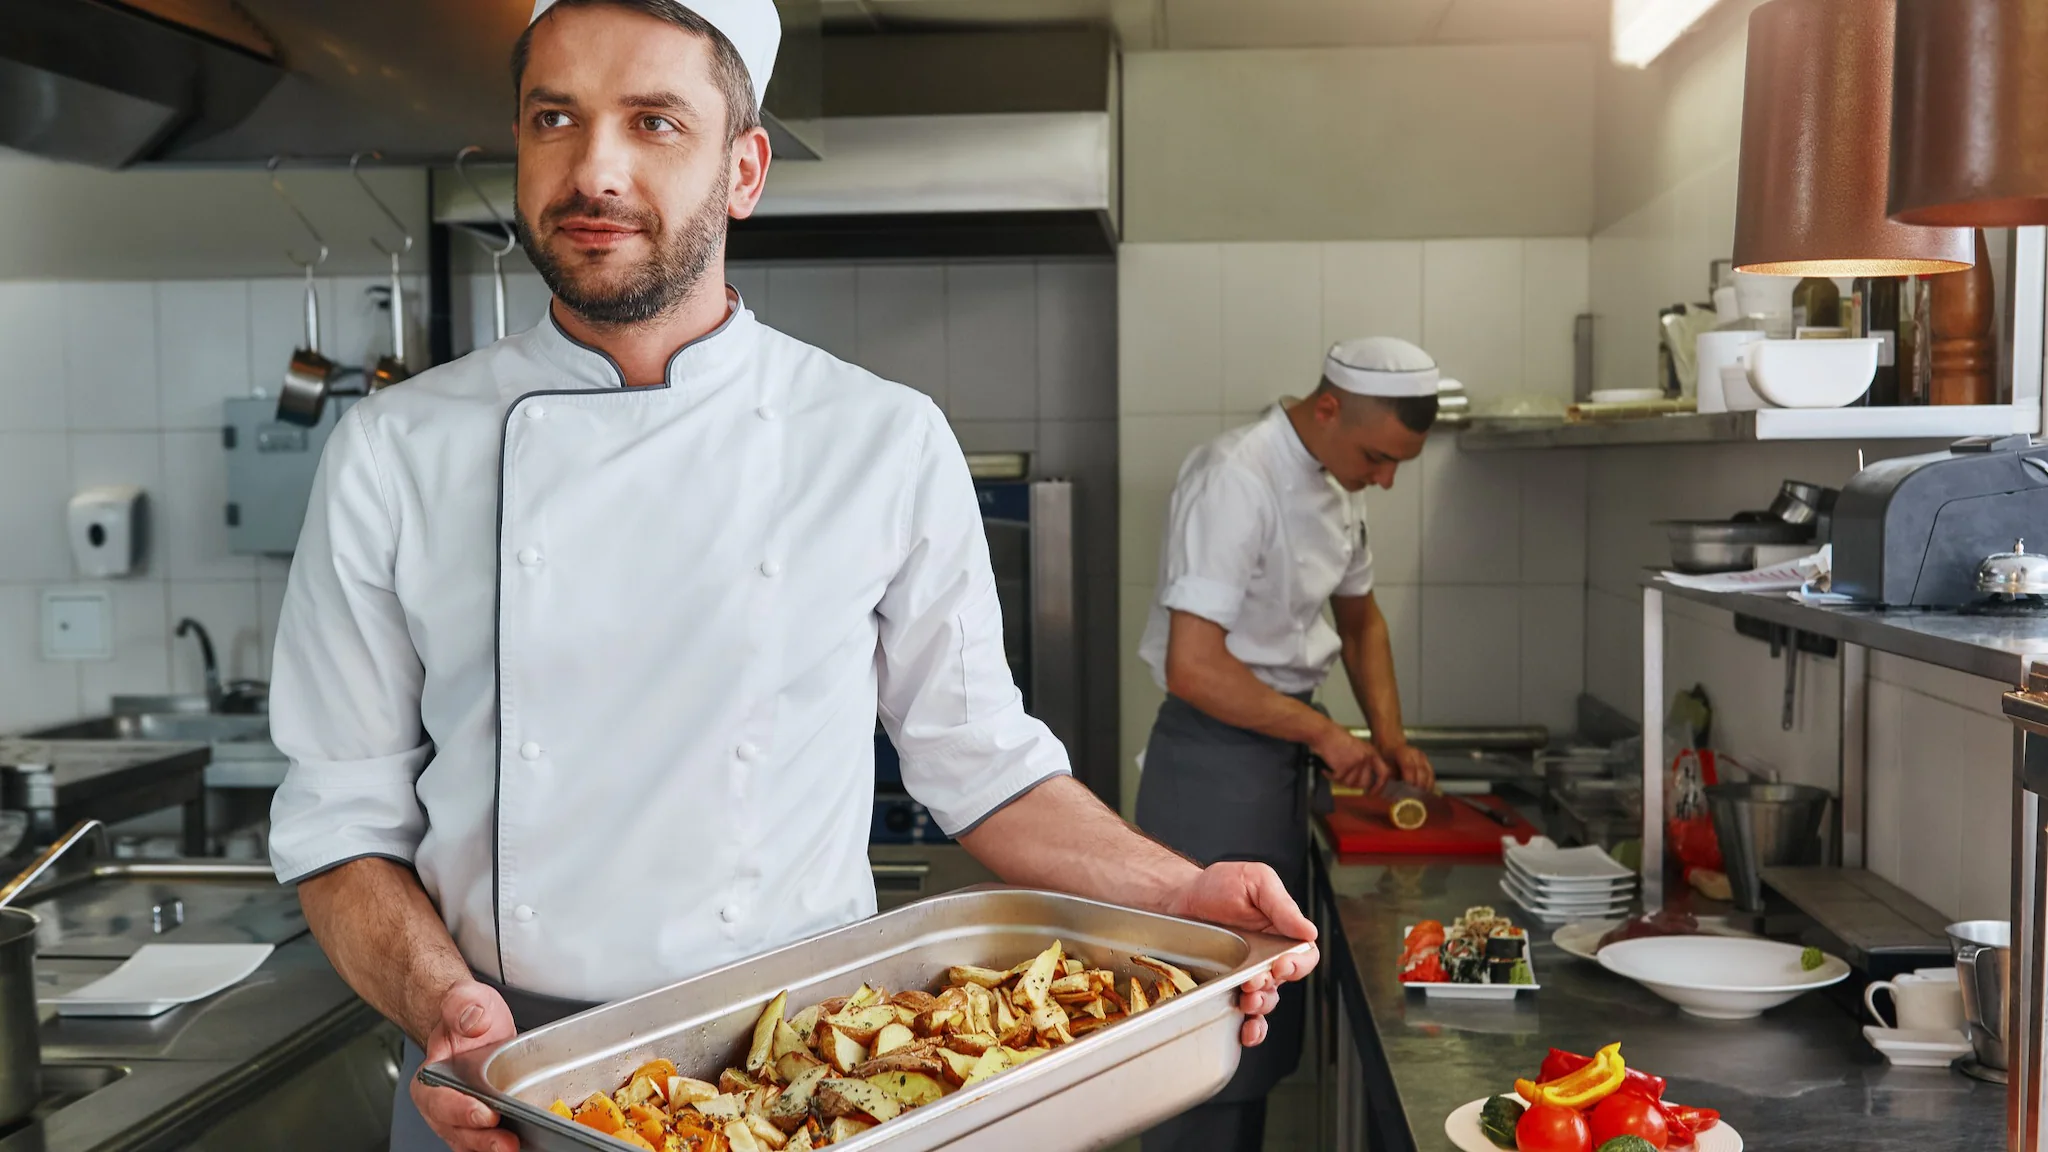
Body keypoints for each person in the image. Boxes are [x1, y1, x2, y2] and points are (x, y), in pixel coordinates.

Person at [262, 3, 1317, 1149]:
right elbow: (340, 823)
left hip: (799, 1081)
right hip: (498, 1086)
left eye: (655, 122)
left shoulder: (878, 438)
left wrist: (1174, 897)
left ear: (744, 168)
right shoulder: (394, 451)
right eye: (552, 118)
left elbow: (980, 764)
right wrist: (447, 1012)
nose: (593, 170)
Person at [1132, 336, 1441, 1152]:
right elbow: (1192, 667)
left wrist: (1389, 739)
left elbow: (1361, 617)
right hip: (1212, 768)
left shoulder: (1339, 480)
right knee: (1204, 1013)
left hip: (1274, 760)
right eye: (1379, 457)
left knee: (1255, 1009)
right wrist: (1324, 733)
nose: (1385, 479)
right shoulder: (1238, 475)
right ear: (1328, 408)